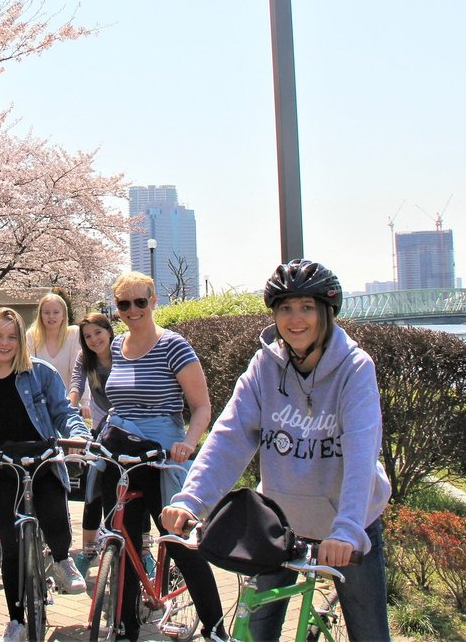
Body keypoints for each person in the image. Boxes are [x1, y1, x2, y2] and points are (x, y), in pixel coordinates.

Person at [162, 259, 392, 642]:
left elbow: (361, 455)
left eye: (306, 307)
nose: (295, 319)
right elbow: (230, 436)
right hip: (283, 522)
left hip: (348, 525)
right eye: (285, 308)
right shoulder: (264, 366)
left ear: (326, 312)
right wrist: (192, 500)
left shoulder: (354, 367)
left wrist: (349, 529)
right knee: (254, 630)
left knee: (369, 634)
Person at [98, 271, 224, 642]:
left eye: (140, 301)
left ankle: (215, 629)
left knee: (178, 541)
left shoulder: (174, 346)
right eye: (124, 303)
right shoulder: (118, 346)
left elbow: (201, 407)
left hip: (161, 455)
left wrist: (188, 442)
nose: (132, 310)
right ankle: (125, 627)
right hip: (120, 456)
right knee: (121, 544)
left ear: (154, 302)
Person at [0, 306, 91, 642]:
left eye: (12, 336)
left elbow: (64, 412)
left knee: (55, 519)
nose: (4, 343)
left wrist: (78, 437)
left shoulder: (41, 373)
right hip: (2, 467)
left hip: (43, 460)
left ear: (21, 339)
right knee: (13, 546)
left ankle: (61, 559)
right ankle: (17, 619)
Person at [69, 312, 114, 578]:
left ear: (109, 331)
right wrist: (71, 405)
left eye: (98, 332)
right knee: (93, 488)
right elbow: (76, 383)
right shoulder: (85, 359)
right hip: (101, 430)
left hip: (128, 429)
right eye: (88, 336)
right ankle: (87, 551)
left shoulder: (122, 352)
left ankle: (143, 552)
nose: (94, 339)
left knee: (130, 487)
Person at [27, 292, 81, 396]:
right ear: (41, 315)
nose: (51, 316)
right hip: (40, 401)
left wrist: (84, 403)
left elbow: (78, 373)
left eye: (56, 312)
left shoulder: (74, 334)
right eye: (46, 312)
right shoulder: (31, 336)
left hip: (68, 402)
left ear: (63, 315)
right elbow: (29, 372)